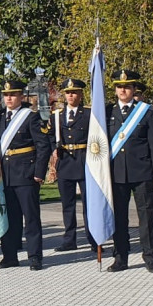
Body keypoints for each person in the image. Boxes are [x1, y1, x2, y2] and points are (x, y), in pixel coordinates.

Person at [106, 70, 153, 273]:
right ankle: (120, 257)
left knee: (146, 216)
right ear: (115, 90)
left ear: (133, 90)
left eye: (127, 87)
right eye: (120, 87)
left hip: (142, 172)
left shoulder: (146, 112)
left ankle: (150, 257)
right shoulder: (107, 112)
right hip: (116, 173)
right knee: (119, 218)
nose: (123, 90)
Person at [0, 80, 52, 270]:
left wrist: (39, 173)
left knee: (31, 218)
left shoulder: (31, 117)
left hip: (26, 173)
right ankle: (9, 256)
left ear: (20, 96)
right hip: (5, 175)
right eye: (6, 95)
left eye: (13, 94)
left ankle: (35, 256)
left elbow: (43, 146)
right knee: (8, 218)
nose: (9, 98)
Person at [47, 79, 95, 252]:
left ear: (81, 94)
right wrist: (54, 149)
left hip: (84, 160)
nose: (70, 95)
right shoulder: (57, 115)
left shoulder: (88, 114)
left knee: (89, 204)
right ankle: (69, 240)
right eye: (68, 92)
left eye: (74, 92)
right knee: (67, 204)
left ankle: (93, 238)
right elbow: (50, 136)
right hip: (65, 161)